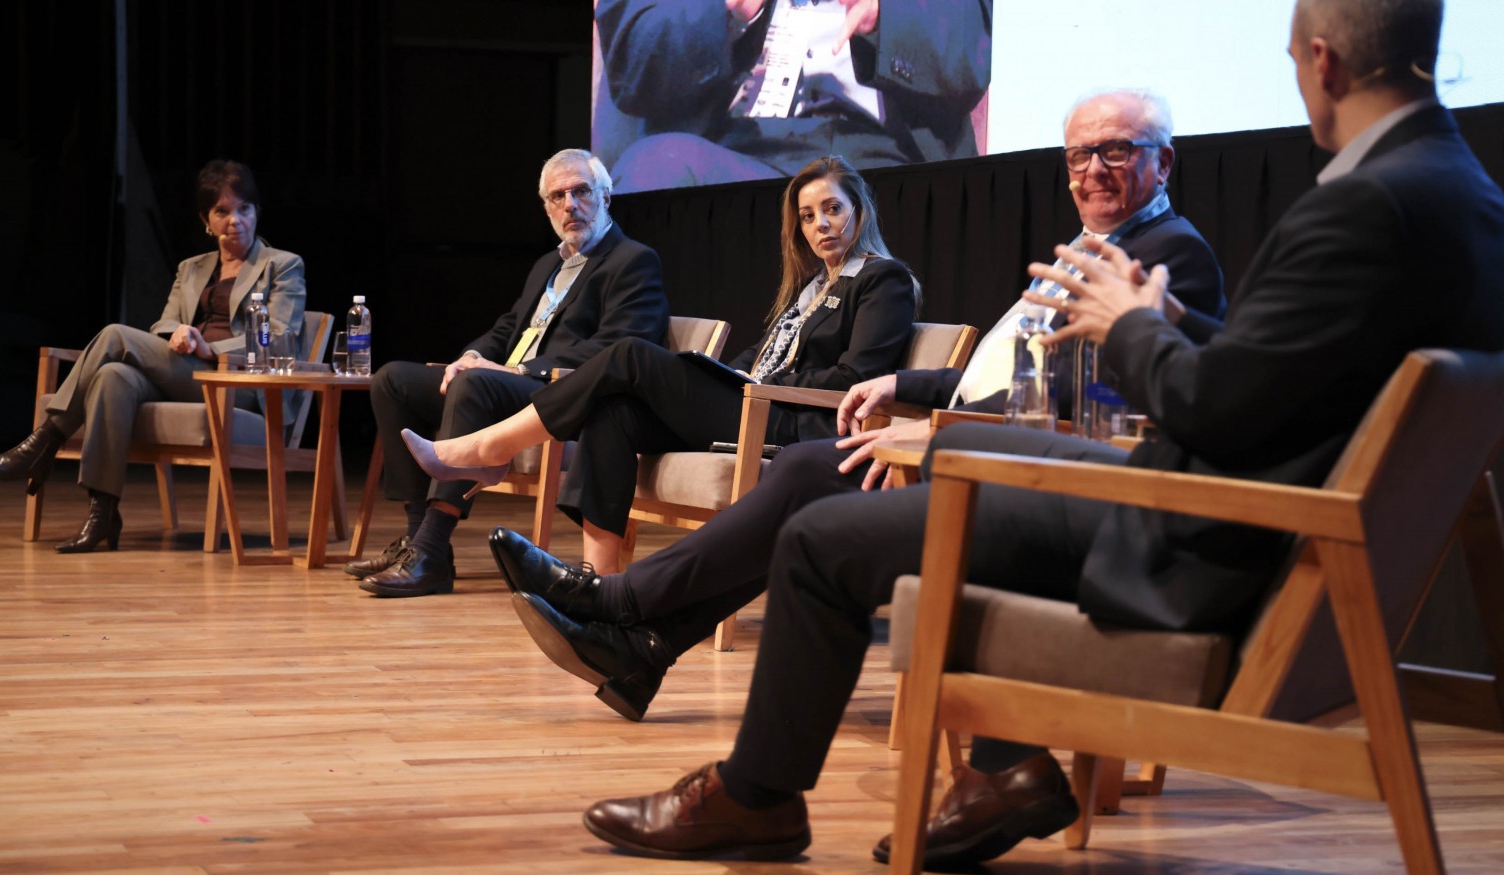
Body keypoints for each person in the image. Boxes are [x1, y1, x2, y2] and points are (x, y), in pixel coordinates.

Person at [577, 0, 1504, 869]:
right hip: (1258, 526)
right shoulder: (1467, 196)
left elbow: (1219, 410)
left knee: (824, 540)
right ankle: (1005, 773)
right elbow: (1279, 384)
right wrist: (1173, 329)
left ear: (1322, 59)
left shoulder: (1364, 203)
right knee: (950, 462)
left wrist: (1133, 326)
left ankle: (758, 797)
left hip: (1194, 546)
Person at [490, 88, 1228, 723]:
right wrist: (909, 388)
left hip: (1015, 467)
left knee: (804, 471)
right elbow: (1005, 374)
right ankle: (641, 642)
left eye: (1117, 151)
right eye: (1078, 157)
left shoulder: (1166, 253)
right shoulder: (1085, 248)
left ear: (1163, 162)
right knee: (796, 473)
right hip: (967, 433)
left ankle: (620, 609)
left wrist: (934, 432)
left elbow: (1066, 397)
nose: (1093, 170)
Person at [401, 155, 918, 606]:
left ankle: (489, 448)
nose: (821, 225)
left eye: (833, 209)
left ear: (859, 211)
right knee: (614, 412)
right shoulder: (808, 286)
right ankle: (598, 584)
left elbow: (856, 379)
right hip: (758, 398)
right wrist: (734, 369)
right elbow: (761, 353)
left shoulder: (882, 278)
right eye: (808, 216)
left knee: (629, 357)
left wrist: (761, 379)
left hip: (794, 422)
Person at [351, 149, 668, 598]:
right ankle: (418, 541)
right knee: (393, 380)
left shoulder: (633, 261)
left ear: (607, 197)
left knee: (476, 382)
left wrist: (513, 369)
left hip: (558, 395)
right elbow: (507, 328)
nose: (569, 205)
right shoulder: (548, 265)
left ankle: (431, 547)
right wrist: (470, 356)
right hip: (498, 384)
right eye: (557, 197)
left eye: (581, 192)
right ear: (546, 207)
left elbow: (618, 348)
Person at [0, 160, 306, 553]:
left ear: (256, 211)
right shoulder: (191, 268)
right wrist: (179, 334)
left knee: (115, 335)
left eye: (244, 209)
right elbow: (163, 324)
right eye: (222, 211)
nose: (235, 221)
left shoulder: (281, 265)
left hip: (238, 382)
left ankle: (42, 443)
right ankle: (103, 514)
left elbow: (279, 336)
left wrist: (208, 347)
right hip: (185, 372)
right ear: (206, 219)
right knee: (112, 374)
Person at [597, 0, 991, 190]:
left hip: (880, 158)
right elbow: (632, 64)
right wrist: (728, 11)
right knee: (654, 171)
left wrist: (885, 16)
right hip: (723, 149)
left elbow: (971, 59)